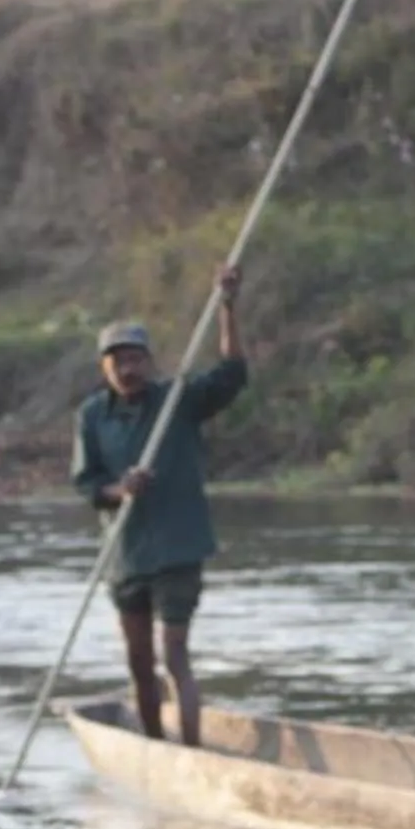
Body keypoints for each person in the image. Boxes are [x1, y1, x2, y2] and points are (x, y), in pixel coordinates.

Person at [69, 266, 249, 747]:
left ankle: (189, 749)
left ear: (148, 361)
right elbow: (86, 484)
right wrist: (119, 490)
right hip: (126, 556)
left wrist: (227, 308)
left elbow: (233, 375)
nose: (127, 368)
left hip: (177, 549)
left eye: (135, 359)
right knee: (138, 661)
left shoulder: (176, 400)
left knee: (174, 656)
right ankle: (151, 745)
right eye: (117, 361)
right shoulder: (92, 416)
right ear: (104, 367)